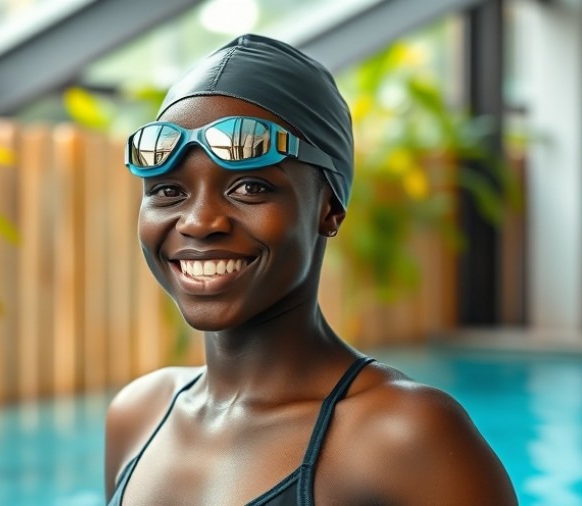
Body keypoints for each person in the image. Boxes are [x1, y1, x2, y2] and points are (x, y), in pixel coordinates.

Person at [104, 34, 517, 505]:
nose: (199, 221)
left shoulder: (404, 438)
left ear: (330, 209)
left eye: (251, 187)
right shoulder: (137, 415)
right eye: (168, 191)